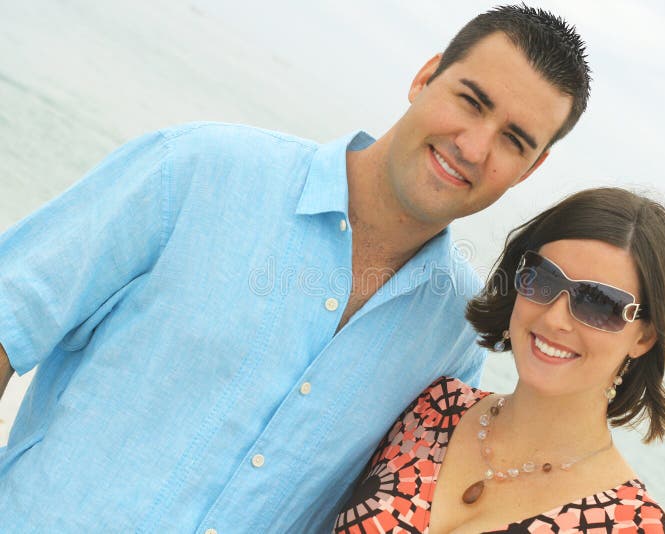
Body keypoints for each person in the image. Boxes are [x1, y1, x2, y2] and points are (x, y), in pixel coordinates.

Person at [0, 5, 591, 533]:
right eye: (471, 100)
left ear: (530, 169)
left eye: (513, 139)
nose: (474, 146)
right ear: (424, 77)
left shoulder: (455, 336)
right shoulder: (196, 170)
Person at [334, 187, 665, 533]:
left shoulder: (636, 526)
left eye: (598, 302)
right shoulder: (432, 409)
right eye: (544, 279)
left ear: (644, 336)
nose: (555, 318)